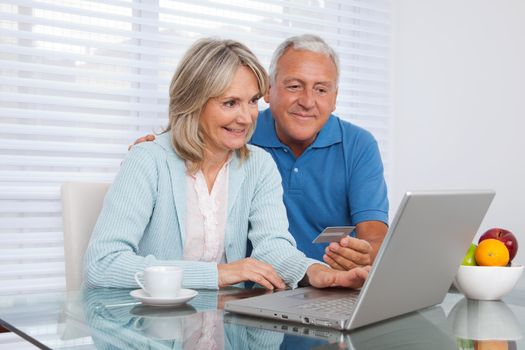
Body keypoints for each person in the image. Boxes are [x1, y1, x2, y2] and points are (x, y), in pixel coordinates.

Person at [84, 38, 369, 291]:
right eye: (230, 103)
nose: (246, 118)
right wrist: (217, 274)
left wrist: (316, 272)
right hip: (148, 329)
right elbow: (103, 263)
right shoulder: (148, 159)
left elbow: (272, 246)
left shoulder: (258, 165)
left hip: (222, 323)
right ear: (193, 102)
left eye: (252, 101)